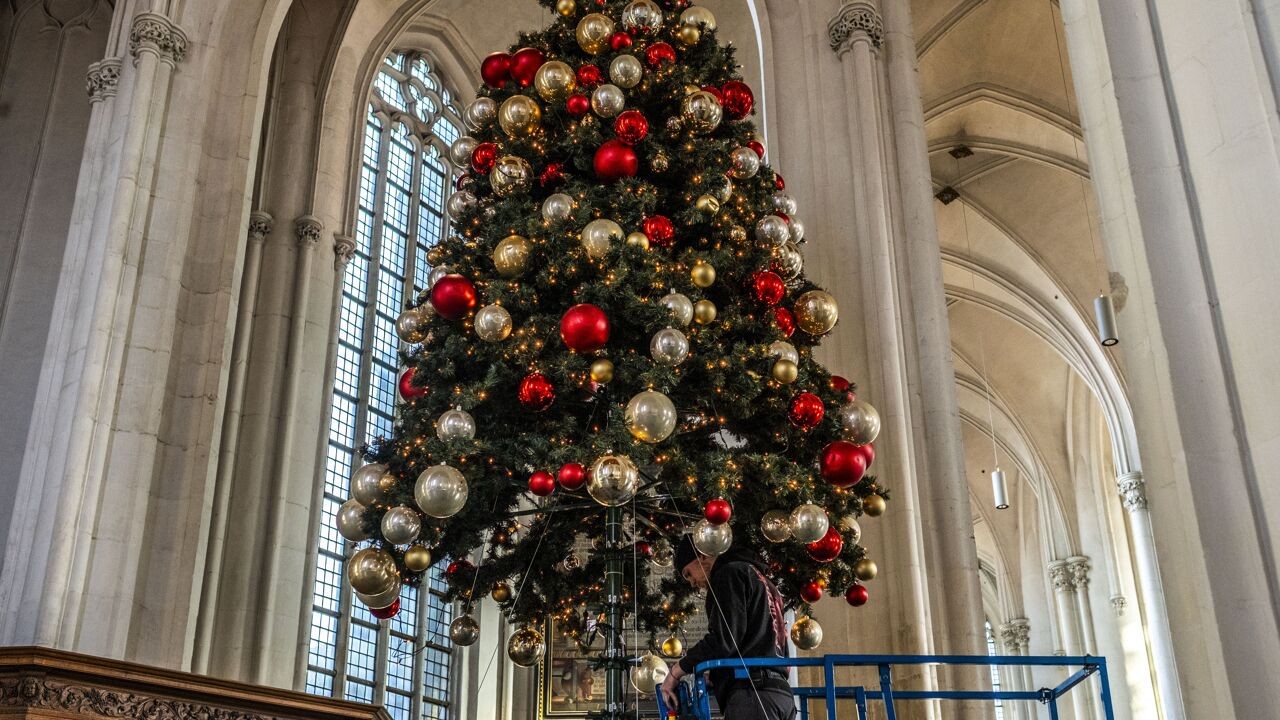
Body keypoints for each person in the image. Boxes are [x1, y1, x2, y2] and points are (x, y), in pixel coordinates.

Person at [659, 534, 797, 720]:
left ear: (702, 556)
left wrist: (675, 672)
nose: (691, 582)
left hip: (752, 695)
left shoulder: (728, 574)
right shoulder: (761, 579)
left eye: (688, 573)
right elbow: (754, 639)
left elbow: (723, 641)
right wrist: (718, 676)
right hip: (780, 695)